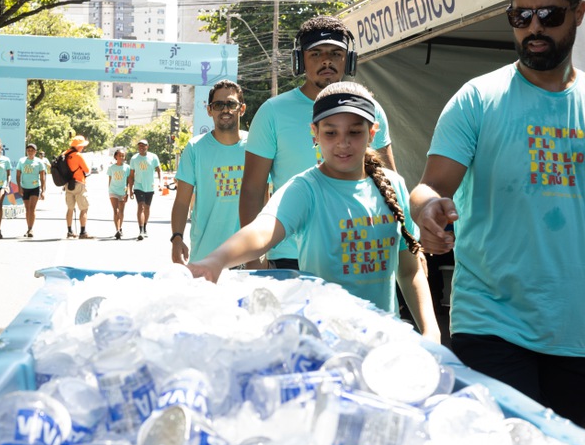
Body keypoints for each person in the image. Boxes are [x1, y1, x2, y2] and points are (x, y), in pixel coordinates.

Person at [409, 0, 585, 427]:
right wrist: (428, 210)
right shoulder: (477, 98)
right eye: (520, 15)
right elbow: (430, 185)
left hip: (580, 329)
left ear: (579, 13)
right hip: (490, 321)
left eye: (549, 15)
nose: (534, 28)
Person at [189, 82, 440, 341]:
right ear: (315, 134)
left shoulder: (393, 185)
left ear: (372, 132)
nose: (343, 143)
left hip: (384, 342)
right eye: (331, 133)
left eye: (354, 132)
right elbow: (262, 231)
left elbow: (409, 271)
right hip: (326, 343)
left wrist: (431, 329)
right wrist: (215, 260)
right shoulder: (305, 189)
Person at [239, 15, 396, 271]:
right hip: (290, 257)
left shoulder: (370, 109)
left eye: (336, 53)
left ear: (348, 60)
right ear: (300, 60)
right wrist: (252, 260)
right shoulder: (272, 112)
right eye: (316, 54)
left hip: (357, 252)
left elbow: (387, 181)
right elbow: (252, 190)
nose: (326, 61)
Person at [171, 80, 249, 264]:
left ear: (242, 109)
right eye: (218, 105)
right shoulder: (195, 148)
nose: (225, 110)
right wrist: (177, 238)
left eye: (231, 104)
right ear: (209, 110)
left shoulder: (256, 145)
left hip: (247, 255)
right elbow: (182, 201)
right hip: (205, 257)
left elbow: (264, 200)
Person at [129, 139, 162, 241]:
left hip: (150, 186)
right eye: (140, 146)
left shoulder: (153, 157)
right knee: (141, 207)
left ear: (147, 146)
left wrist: (160, 183)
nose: (141, 147)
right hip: (138, 186)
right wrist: (130, 190)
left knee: (147, 208)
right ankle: (141, 230)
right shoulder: (134, 158)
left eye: (143, 146)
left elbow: (159, 170)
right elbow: (131, 175)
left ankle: (145, 227)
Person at [63, 135, 93, 239]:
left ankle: (69, 231)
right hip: (79, 183)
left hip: (68, 184)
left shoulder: (65, 154)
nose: (83, 147)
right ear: (78, 146)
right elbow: (87, 169)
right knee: (84, 208)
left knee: (70, 208)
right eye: (82, 146)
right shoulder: (78, 155)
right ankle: (83, 232)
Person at [16, 143, 47, 238]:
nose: (30, 152)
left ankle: (30, 229)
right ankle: (28, 227)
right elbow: (18, 175)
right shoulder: (21, 161)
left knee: (32, 208)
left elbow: (42, 177)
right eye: (28, 150)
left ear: (35, 152)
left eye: (32, 150)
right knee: (27, 208)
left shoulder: (39, 162)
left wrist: (43, 190)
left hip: (35, 187)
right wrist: (19, 187)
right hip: (25, 187)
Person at [107, 148, 131, 240]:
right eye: (119, 155)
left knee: (121, 211)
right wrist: (109, 190)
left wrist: (127, 192)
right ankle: (117, 230)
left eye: (123, 156)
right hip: (113, 191)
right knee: (115, 210)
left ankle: (120, 227)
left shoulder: (127, 168)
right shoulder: (111, 168)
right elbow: (110, 180)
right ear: (116, 156)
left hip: (123, 191)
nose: (121, 157)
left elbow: (128, 181)